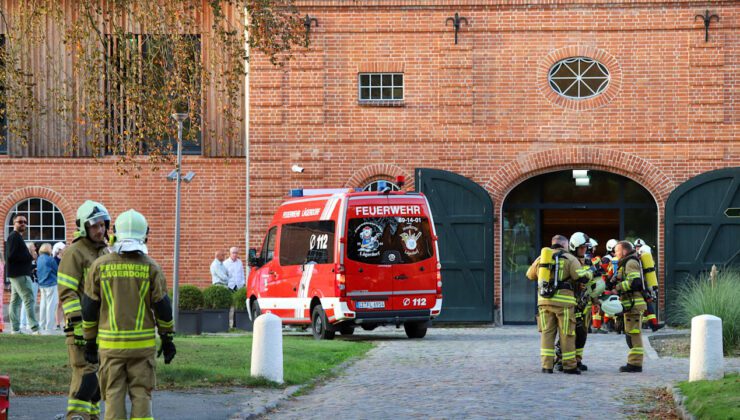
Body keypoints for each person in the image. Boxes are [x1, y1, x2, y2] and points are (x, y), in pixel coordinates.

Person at [82, 209, 175, 420]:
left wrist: (89, 342)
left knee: (113, 394)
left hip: (110, 348)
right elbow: (163, 308)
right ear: (145, 234)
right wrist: (167, 338)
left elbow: (89, 309)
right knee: (142, 394)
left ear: (114, 232)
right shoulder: (152, 268)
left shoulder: (99, 266)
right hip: (142, 348)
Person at [58, 200, 110, 419]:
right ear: (84, 227)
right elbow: (67, 292)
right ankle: (76, 416)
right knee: (85, 373)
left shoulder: (105, 251)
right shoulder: (75, 252)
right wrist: (78, 325)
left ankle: (91, 416)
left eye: (102, 225)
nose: (100, 230)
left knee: (97, 376)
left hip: (102, 327)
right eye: (94, 226)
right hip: (80, 328)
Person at [526, 234, 593, 375]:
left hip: (544, 302)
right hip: (564, 303)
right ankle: (569, 366)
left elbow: (530, 275)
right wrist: (590, 274)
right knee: (567, 333)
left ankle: (547, 366)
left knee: (547, 333)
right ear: (565, 245)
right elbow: (581, 277)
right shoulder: (570, 258)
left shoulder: (542, 258)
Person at [612, 240, 647, 373]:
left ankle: (635, 364)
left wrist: (618, 287)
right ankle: (634, 362)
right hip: (630, 304)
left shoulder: (631, 262)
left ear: (625, 251)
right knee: (631, 334)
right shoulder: (626, 262)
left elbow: (635, 282)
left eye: (617, 251)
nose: (615, 254)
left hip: (634, 305)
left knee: (634, 335)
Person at [6, 214, 40, 334]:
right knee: (29, 299)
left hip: (16, 273)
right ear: (14, 223)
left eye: (25, 222)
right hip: (19, 274)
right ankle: (34, 328)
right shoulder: (14, 237)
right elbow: (11, 256)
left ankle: (15, 329)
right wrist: (29, 255)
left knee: (15, 301)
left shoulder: (16, 237)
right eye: (20, 221)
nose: (23, 224)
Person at [37, 243, 60, 334]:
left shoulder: (39, 258)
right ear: (47, 249)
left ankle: (42, 325)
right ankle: (49, 327)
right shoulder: (50, 259)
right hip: (51, 283)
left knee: (43, 305)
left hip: (42, 284)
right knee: (51, 306)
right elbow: (57, 270)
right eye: (50, 248)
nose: (51, 249)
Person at [19, 242, 39, 331]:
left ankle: (24, 322)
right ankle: (26, 323)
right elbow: (27, 268)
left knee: (29, 301)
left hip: (34, 281)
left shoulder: (34, 257)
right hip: (29, 281)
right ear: (30, 248)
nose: (35, 248)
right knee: (28, 301)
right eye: (33, 247)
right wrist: (34, 268)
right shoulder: (26, 256)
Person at [53, 242, 67, 330]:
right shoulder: (54, 260)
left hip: (66, 283)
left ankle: (66, 323)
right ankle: (58, 324)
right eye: (63, 248)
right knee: (59, 304)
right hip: (58, 283)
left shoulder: (66, 259)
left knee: (66, 303)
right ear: (59, 250)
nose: (65, 250)